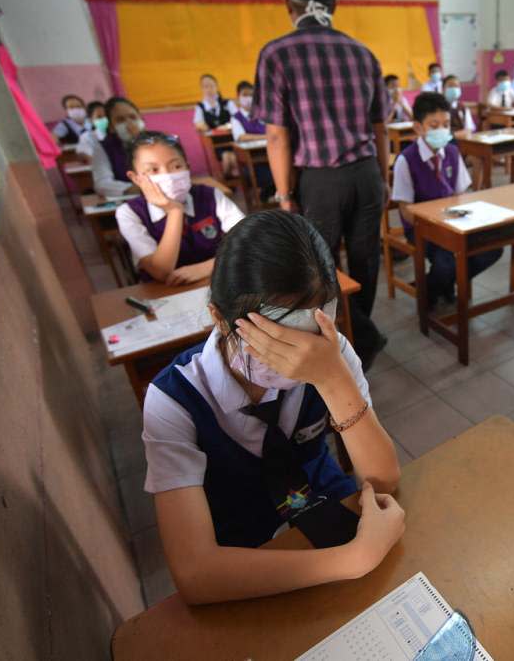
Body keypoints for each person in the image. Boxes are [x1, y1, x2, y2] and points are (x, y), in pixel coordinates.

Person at [142, 210, 404, 604]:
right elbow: (196, 573)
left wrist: (333, 380)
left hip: (322, 500)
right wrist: (353, 558)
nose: (297, 358)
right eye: (273, 340)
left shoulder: (328, 355)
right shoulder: (173, 399)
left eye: (310, 335)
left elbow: (383, 480)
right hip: (243, 548)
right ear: (220, 318)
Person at [253, 0, 390, 370]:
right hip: (366, 173)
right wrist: (383, 175)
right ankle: (360, 337)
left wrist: (283, 195)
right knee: (365, 260)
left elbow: (277, 136)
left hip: (320, 180)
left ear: (288, 6)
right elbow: (381, 127)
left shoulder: (277, 53)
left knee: (319, 266)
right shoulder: (363, 53)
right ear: (333, 4)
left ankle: (347, 340)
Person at [391, 92, 502, 308]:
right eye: (434, 125)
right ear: (418, 128)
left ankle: (441, 282)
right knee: (448, 258)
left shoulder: (452, 152)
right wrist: (436, 220)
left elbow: (463, 193)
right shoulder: (406, 160)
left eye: (446, 124)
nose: (442, 130)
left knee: (492, 247)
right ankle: (431, 292)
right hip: (421, 227)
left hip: (454, 222)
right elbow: (405, 211)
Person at [116, 131, 245, 285]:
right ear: (136, 178)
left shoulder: (210, 196)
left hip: (217, 283)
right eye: (153, 170)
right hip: (163, 295)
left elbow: (250, 240)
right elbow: (161, 271)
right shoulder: (129, 213)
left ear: (187, 167)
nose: (168, 176)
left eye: (176, 166)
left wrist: (207, 267)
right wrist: (175, 211)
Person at [91, 96, 144, 196]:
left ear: (141, 120)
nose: (129, 124)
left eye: (133, 117)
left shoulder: (157, 142)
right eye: (120, 120)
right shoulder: (104, 148)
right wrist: (140, 189)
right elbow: (102, 184)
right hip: (131, 200)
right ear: (111, 127)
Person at [230, 81, 275, 198]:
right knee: (266, 175)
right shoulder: (236, 118)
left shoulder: (262, 114)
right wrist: (265, 136)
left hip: (270, 154)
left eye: (251, 95)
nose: (248, 98)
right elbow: (241, 137)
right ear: (238, 97)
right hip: (252, 159)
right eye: (245, 95)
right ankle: (265, 195)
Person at [193, 73, 238, 179]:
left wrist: (228, 126)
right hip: (215, 143)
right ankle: (229, 181)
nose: (209, 89)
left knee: (233, 158)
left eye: (211, 86)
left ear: (217, 86)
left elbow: (238, 119)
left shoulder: (228, 103)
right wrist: (204, 126)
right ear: (202, 89)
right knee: (227, 158)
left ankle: (232, 180)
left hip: (232, 139)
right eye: (205, 86)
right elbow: (199, 124)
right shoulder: (200, 107)